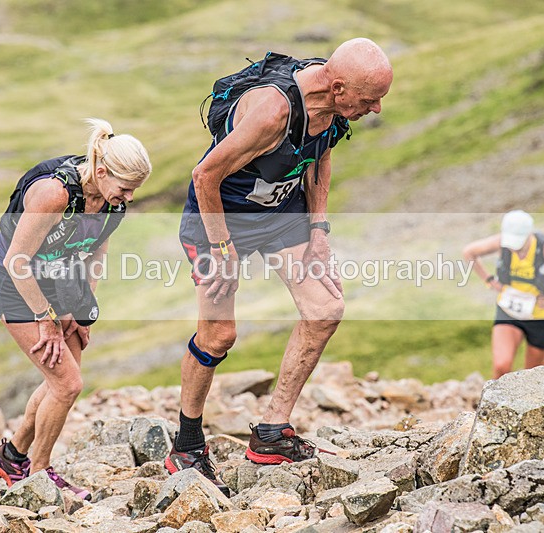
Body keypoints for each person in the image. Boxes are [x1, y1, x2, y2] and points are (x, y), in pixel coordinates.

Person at [167, 38, 393, 493]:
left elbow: (321, 157)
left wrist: (318, 231)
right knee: (219, 334)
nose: (377, 109)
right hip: (220, 217)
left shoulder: (332, 108)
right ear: (339, 86)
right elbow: (204, 176)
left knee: (324, 309)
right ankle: (187, 444)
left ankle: (271, 432)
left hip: (279, 216)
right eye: (369, 100)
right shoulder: (273, 113)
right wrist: (224, 252)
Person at [0, 119, 151, 500]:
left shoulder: (111, 203)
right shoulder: (53, 195)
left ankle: (10, 457)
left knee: (61, 378)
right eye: (125, 188)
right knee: (67, 383)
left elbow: (96, 249)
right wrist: (47, 321)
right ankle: (38, 474)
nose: (128, 198)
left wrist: (81, 307)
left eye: (135, 191)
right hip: (15, 284)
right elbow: (16, 260)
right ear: (102, 171)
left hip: (61, 279)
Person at [463, 210, 544, 379]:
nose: (513, 248)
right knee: (501, 366)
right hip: (508, 312)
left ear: (528, 234)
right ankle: (495, 404)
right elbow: (469, 252)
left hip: (540, 318)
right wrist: (488, 279)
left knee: (532, 376)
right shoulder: (501, 242)